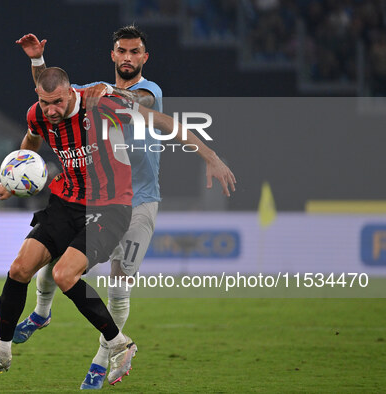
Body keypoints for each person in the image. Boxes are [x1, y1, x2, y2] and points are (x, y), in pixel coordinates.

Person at [14, 26, 236, 389]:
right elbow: (52, 94)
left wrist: (210, 156)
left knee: (119, 284)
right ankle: (40, 313)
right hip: (96, 196)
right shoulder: (93, 94)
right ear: (113, 55)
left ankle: (103, 358)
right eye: (122, 51)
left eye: (135, 52)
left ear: (144, 58)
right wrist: (38, 61)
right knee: (53, 260)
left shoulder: (147, 92)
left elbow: (146, 108)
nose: (128, 57)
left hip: (139, 201)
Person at [0, 67, 139, 386]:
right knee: (19, 269)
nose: (51, 110)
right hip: (66, 201)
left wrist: (114, 93)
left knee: (63, 274)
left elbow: (141, 108)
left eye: (57, 102)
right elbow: (31, 140)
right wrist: (12, 183)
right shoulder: (39, 115)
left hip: (110, 206)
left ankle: (120, 344)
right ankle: (2, 352)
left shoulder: (97, 105)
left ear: (71, 92)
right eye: (45, 103)